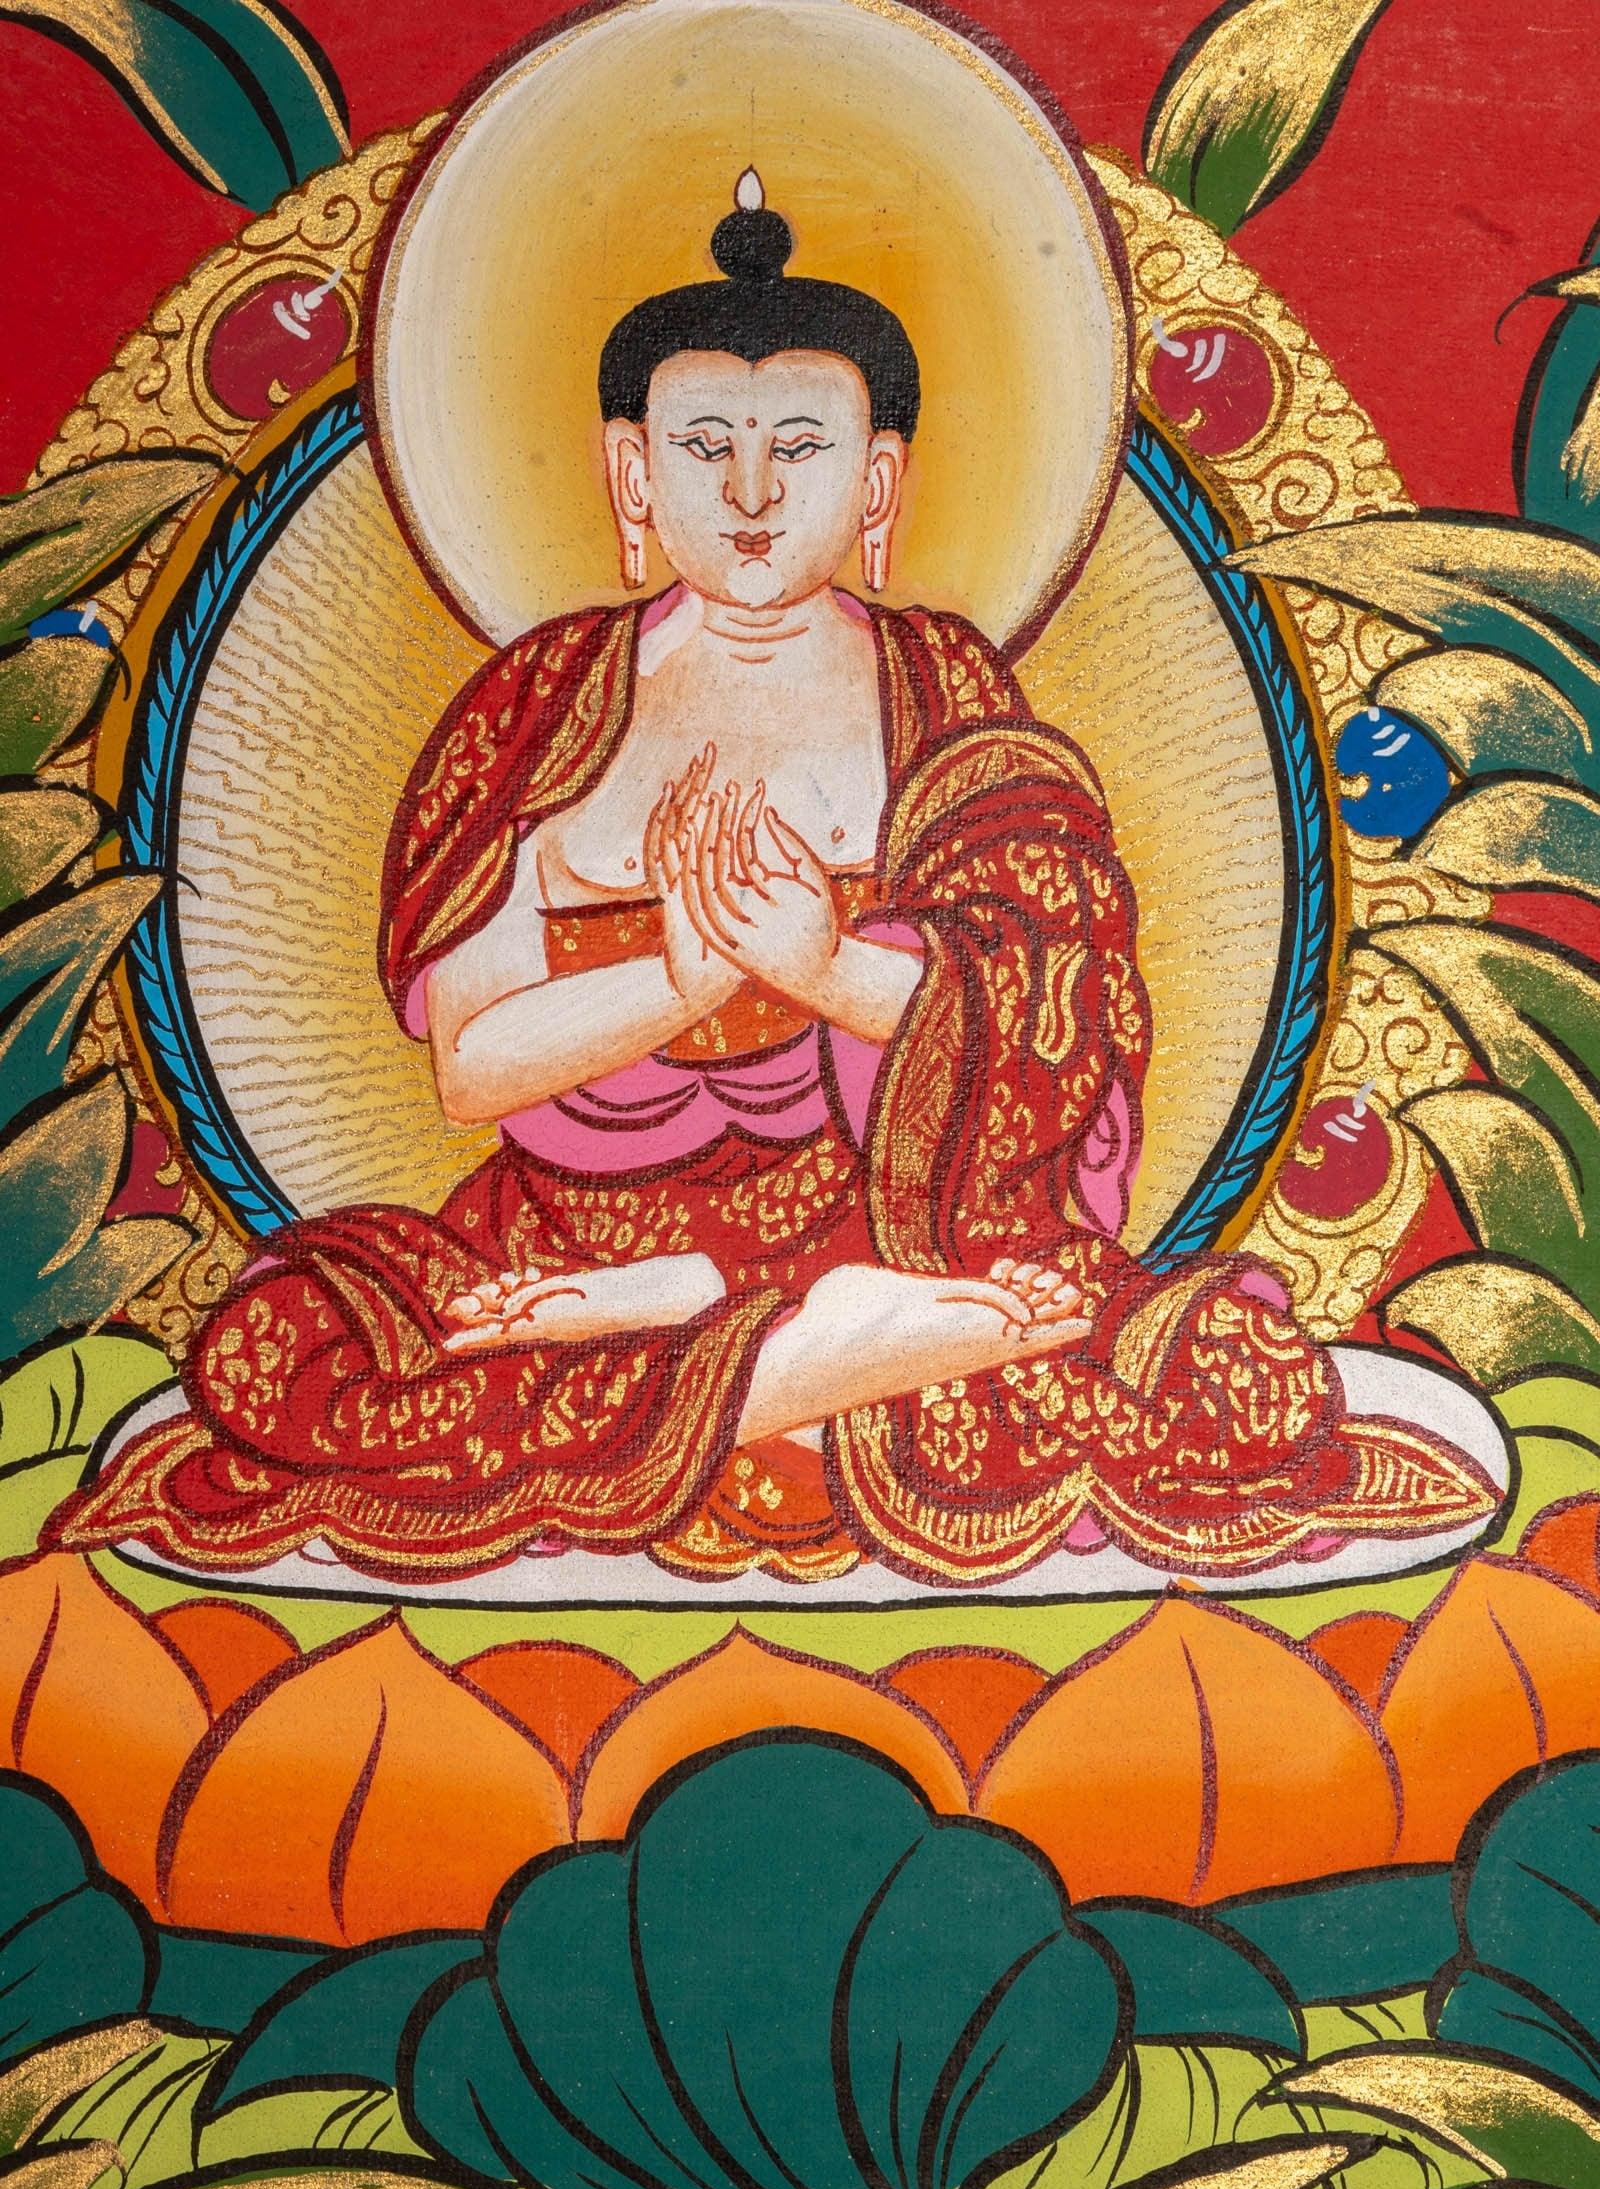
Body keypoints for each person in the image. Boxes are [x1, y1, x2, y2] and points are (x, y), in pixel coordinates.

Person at [52, 176, 1495, 1585]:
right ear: (632, 472)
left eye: (799, 446)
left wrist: (826, 970)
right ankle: (809, 1353)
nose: (750, 495)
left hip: (886, 1221)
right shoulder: (547, 706)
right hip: (571, 1232)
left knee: (1234, 1374)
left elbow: (1064, 1010)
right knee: (279, 1349)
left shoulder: (942, 697)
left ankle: (748, 1341)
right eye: (704, 447)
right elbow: (472, 1069)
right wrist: (679, 983)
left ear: (878, 480)